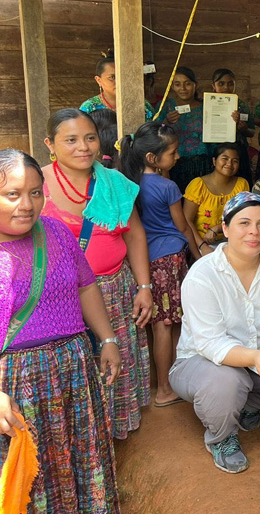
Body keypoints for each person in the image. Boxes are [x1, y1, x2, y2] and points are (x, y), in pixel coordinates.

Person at [0, 148, 121, 513]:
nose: (26, 205)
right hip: (14, 385)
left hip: (74, 369)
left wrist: (108, 339)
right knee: (29, 477)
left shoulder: (54, 232)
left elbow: (85, 286)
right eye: (12, 194)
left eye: (35, 193)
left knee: (83, 459)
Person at [169, 192, 260, 474]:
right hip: (202, 361)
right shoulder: (202, 275)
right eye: (244, 223)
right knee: (227, 381)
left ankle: (243, 401)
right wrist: (253, 358)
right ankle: (221, 436)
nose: (254, 231)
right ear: (226, 228)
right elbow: (211, 343)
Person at [41, 108, 152, 439]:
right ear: (50, 144)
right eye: (71, 140)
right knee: (74, 366)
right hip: (59, 298)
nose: (83, 147)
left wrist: (144, 286)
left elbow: (135, 234)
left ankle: (113, 428)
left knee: (114, 359)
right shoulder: (37, 185)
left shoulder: (115, 183)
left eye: (90, 138)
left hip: (114, 290)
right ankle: (79, 436)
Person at [120, 122, 202, 407]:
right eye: (173, 152)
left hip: (143, 262)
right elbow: (183, 226)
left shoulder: (129, 185)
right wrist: (199, 256)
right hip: (169, 261)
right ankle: (166, 389)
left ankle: (161, 381)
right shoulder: (168, 186)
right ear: (152, 158)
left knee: (157, 323)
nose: (178, 157)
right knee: (167, 325)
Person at [183, 143, 249, 255]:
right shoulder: (198, 185)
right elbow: (186, 220)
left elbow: (243, 217)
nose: (229, 164)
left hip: (233, 241)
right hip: (201, 243)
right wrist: (202, 246)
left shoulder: (241, 184)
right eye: (225, 158)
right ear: (214, 161)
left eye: (235, 161)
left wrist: (218, 227)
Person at [159, 67, 209, 192]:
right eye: (177, 84)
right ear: (172, 87)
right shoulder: (166, 106)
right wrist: (166, 122)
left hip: (202, 164)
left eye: (187, 84)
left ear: (195, 85)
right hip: (174, 164)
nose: (183, 88)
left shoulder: (206, 107)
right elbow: (154, 132)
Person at [79, 50, 155, 121]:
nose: (119, 82)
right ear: (99, 80)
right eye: (112, 77)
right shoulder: (89, 108)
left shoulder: (143, 105)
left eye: (123, 77)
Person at [212, 68, 255, 184]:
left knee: (239, 183)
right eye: (221, 84)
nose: (226, 87)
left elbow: (252, 132)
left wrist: (243, 129)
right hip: (215, 151)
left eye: (230, 84)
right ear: (213, 86)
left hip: (238, 152)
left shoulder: (242, 105)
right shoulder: (208, 105)